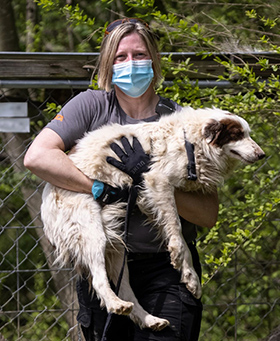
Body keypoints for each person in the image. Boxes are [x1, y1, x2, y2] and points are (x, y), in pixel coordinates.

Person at [24, 18, 218, 341]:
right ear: (108, 64)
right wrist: (96, 188)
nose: (132, 64)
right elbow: (37, 156)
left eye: (140, 55)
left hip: (165, 270)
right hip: (106, 264)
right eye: (121, 57)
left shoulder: (182, 121)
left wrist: (150, 180)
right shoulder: (91, 107)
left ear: (154, 61)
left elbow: (208, 214)